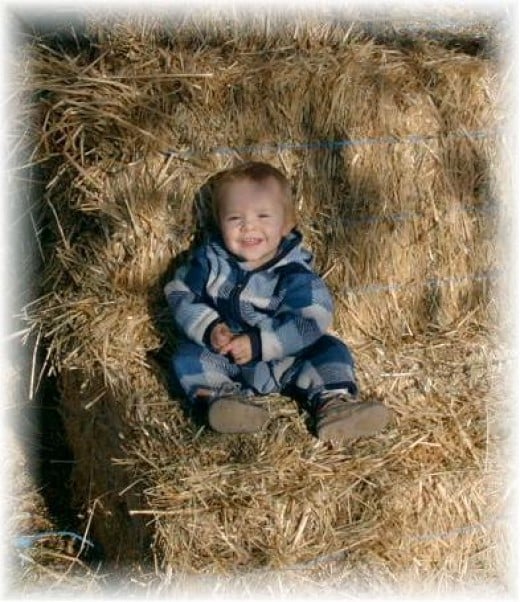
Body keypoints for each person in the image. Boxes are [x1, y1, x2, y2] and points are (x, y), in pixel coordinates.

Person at [164, 161, 390, 442]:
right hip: (227, 359)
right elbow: (178, 292)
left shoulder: (293, 273)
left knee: (330, 349)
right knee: (187, 357)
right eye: (235, 218)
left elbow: (312, 319)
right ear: (219, 222)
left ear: (286, 224)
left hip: (287, 358)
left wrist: (260, 343)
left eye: (263, 216)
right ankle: (224, 403)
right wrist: (209, 327)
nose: (249, 226)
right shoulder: (209, 263)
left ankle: (333, 404)